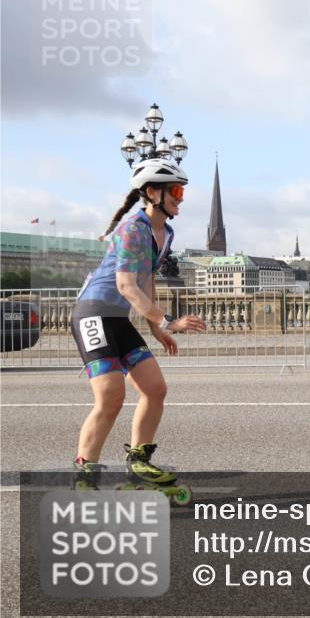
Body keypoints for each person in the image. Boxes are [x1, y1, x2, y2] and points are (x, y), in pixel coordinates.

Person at [71, 158, 206, 491]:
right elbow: (126, 285)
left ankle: (139, 463)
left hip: (118, 318)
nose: (181, 197)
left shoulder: (166, 232)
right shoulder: (133, 229)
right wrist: (169, 320)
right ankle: (85, 476)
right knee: (110, 397)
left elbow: (146, 281)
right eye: (175, 190)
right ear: (152, 192)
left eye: (182, 191)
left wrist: (155, 327)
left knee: (156, 389)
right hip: (93, 312)